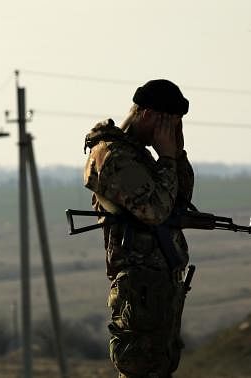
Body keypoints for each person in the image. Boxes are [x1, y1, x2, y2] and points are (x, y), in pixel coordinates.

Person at [83, 79, 194, 377]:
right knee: (141, 367)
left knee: (161, 365)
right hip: (138, 290)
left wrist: (177, 154)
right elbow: (156, 210)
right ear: (147, 115)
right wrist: (167, 158)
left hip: (158, 287)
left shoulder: (141, 156)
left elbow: (180, 199)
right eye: (169, 123)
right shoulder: (111, 156)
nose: (172, 131)